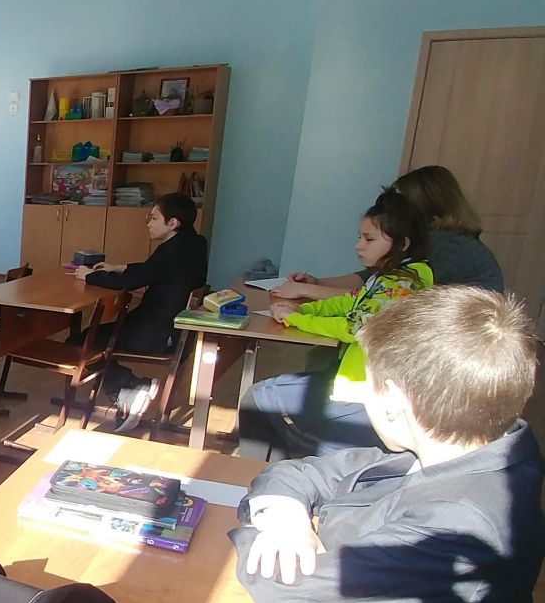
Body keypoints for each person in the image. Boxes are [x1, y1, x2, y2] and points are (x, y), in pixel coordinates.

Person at [230, 285, 544, 603]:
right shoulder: (471, 446)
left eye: (367, 386)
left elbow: (276, 584)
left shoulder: (460, 526)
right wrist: (285, 515)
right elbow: (308, 471)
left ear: (396, 404)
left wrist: (280, 524)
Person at [239, 191, 432, 461]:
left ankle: (266, 475)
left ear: (403, 243)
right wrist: (303, 309)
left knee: (257, 400)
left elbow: (354, 327)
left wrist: (296, 318)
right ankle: (280, 474)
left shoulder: (401, 282)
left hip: (367, 394)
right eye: (359, 237)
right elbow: (349, 301)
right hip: (360, 383)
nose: (358, 246)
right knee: (264, 402)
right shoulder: (392, 276)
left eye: (369, 239)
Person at [71, 192, 208, 432]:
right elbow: (151, 269)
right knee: (90, 338)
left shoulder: (170, 252)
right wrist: (119, 267)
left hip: (153, 333)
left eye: (154, 218)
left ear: (172, 223)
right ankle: (129, 389)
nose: (148, 224)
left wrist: (90, 276)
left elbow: (131, 281)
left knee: (80, 343)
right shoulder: (194, 243)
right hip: (172, 330)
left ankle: (131, 387)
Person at [274, 165, 500, 301]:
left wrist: (307, 290)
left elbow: (379, 295)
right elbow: (373, 278)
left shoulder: (447, 245)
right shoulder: (425, 240)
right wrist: (319, 283)